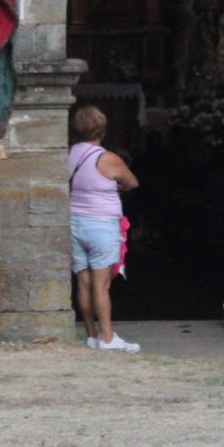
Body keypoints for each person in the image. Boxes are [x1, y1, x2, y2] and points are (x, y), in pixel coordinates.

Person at [68, 104, 140, 353]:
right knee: (101, 284)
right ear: (102, 130)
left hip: (75, 222)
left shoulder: (69, 154)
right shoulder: (107, 158)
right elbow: (132, 182)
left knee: (84, 281)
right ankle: (107, 338)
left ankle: (91, 334)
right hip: (101, 225)